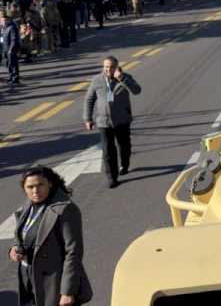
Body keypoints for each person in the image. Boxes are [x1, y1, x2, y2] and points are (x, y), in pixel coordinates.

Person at [9, 166, 92, 306]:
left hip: (53, 283)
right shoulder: (28, 205)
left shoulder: (65, 209)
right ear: (24, 188)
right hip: (28, 277)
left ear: (50, 183)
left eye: (40, 185)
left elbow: (73, 252)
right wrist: (14, 249)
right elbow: (24, 233)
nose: (35, 191)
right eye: (30, 187)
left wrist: (67, 291)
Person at [83, 56, 142, 188]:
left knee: (124, 145)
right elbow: (89, 99)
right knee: (108, 150)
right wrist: (87, 118)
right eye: (105, 67)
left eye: (110, 67)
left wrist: (121, 78)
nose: (108, 69)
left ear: (116, 67)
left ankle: (124, 165)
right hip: (104, 121)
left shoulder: (125, 77)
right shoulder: (97, 80)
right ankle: (112, 177)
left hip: (122, 119)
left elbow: (137, 90)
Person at [1, 9, 21, 86]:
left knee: (13, 64)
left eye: (5, 20)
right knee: (9, 64)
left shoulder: (12, 27)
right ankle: (11, 77)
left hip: (11, 49)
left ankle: (15, 79)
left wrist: (11, 49)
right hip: (6, 48)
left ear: (9, 19)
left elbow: (14, 39)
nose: (4, 21)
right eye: (3, 20)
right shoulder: (5, 27)